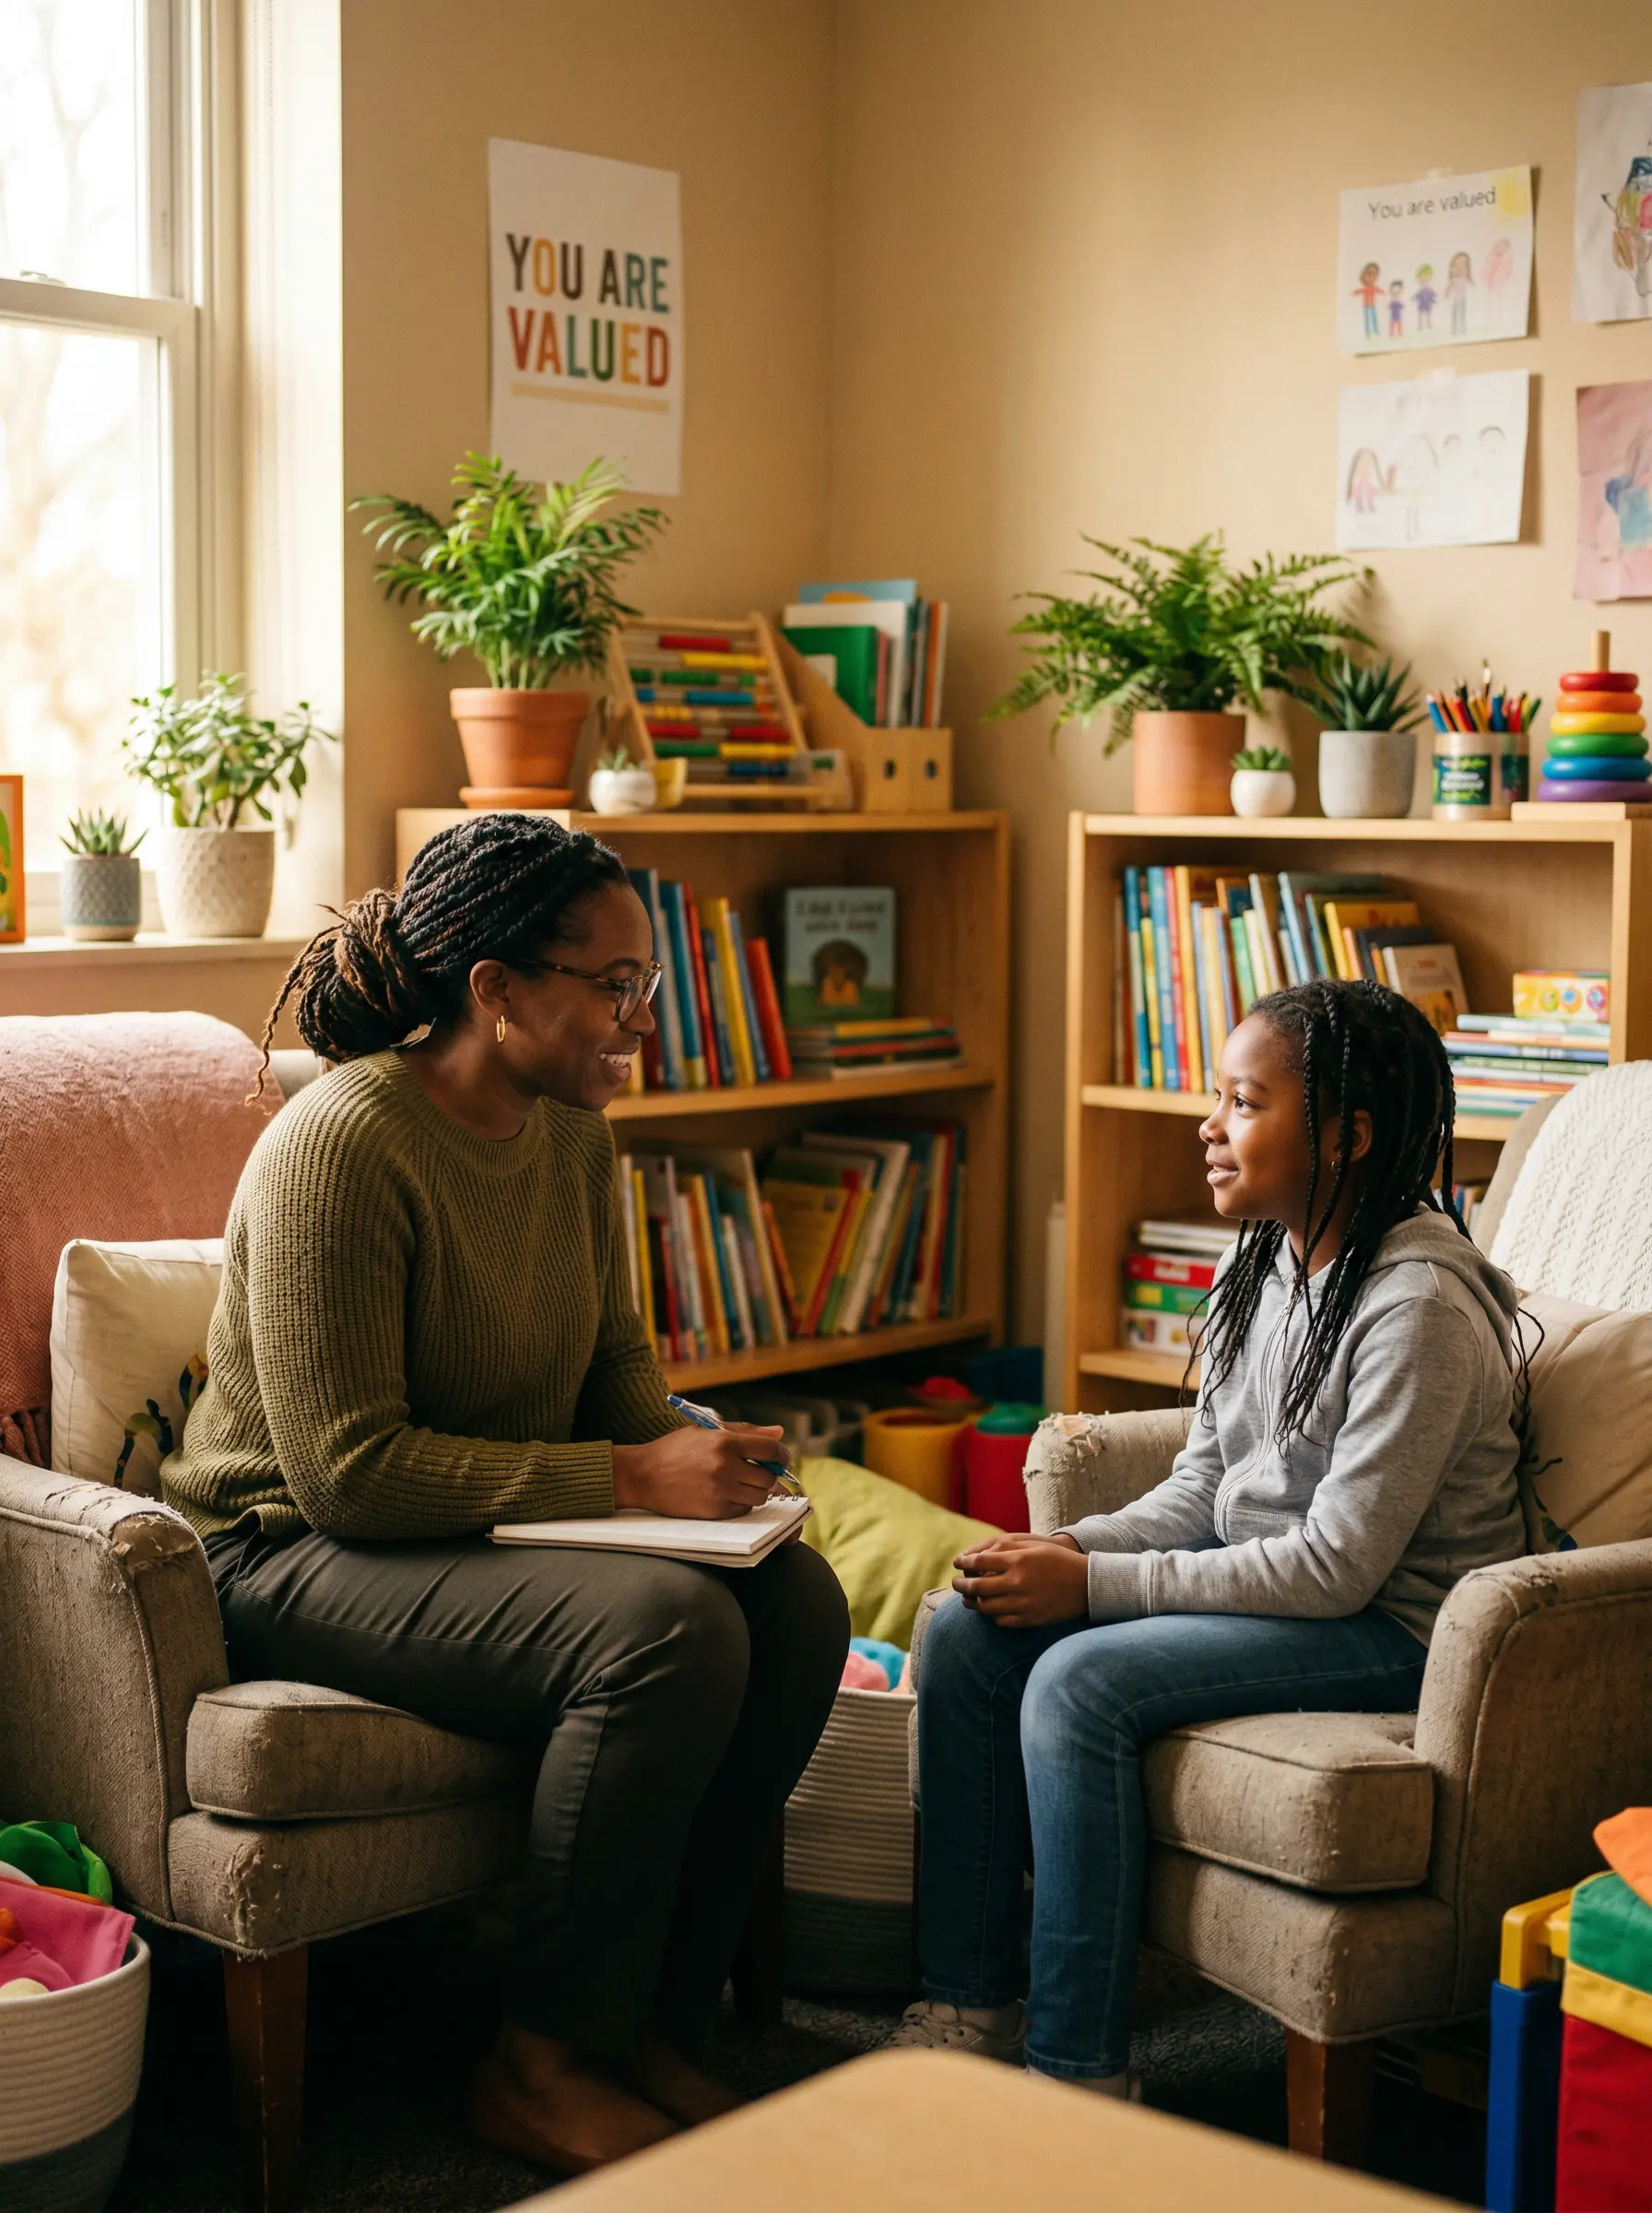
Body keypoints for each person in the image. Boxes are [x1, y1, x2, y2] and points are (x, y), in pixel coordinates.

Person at [162, 812, 848, 2176]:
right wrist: (627, 1476)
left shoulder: (574, 1140)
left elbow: (612, 1370)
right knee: (664, 1631)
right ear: (495, 989)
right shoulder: (341, 1147)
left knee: (797, 1601)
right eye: (614, 984)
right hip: (285, 1548)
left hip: (484, 1528)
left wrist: (709, 1464)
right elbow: (349, 1471)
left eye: (645, 986)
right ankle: (536, 2063)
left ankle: (650, 2022)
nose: (640, 1018)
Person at [891, 979, 1525, 2092]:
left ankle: (1076, 2070)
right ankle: (968, 2001)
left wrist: (1090, 1594)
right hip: (1293, 1592)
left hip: (1397, 1623)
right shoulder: (1264, 1259)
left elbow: (1337, 1566)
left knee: (1079, 1683)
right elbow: (1207, 1485)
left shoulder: (1415, 1305)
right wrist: (1071, 1549)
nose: (1209, 1126)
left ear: (1346, 1136)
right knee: (963, 1635)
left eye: (1242, 1102)